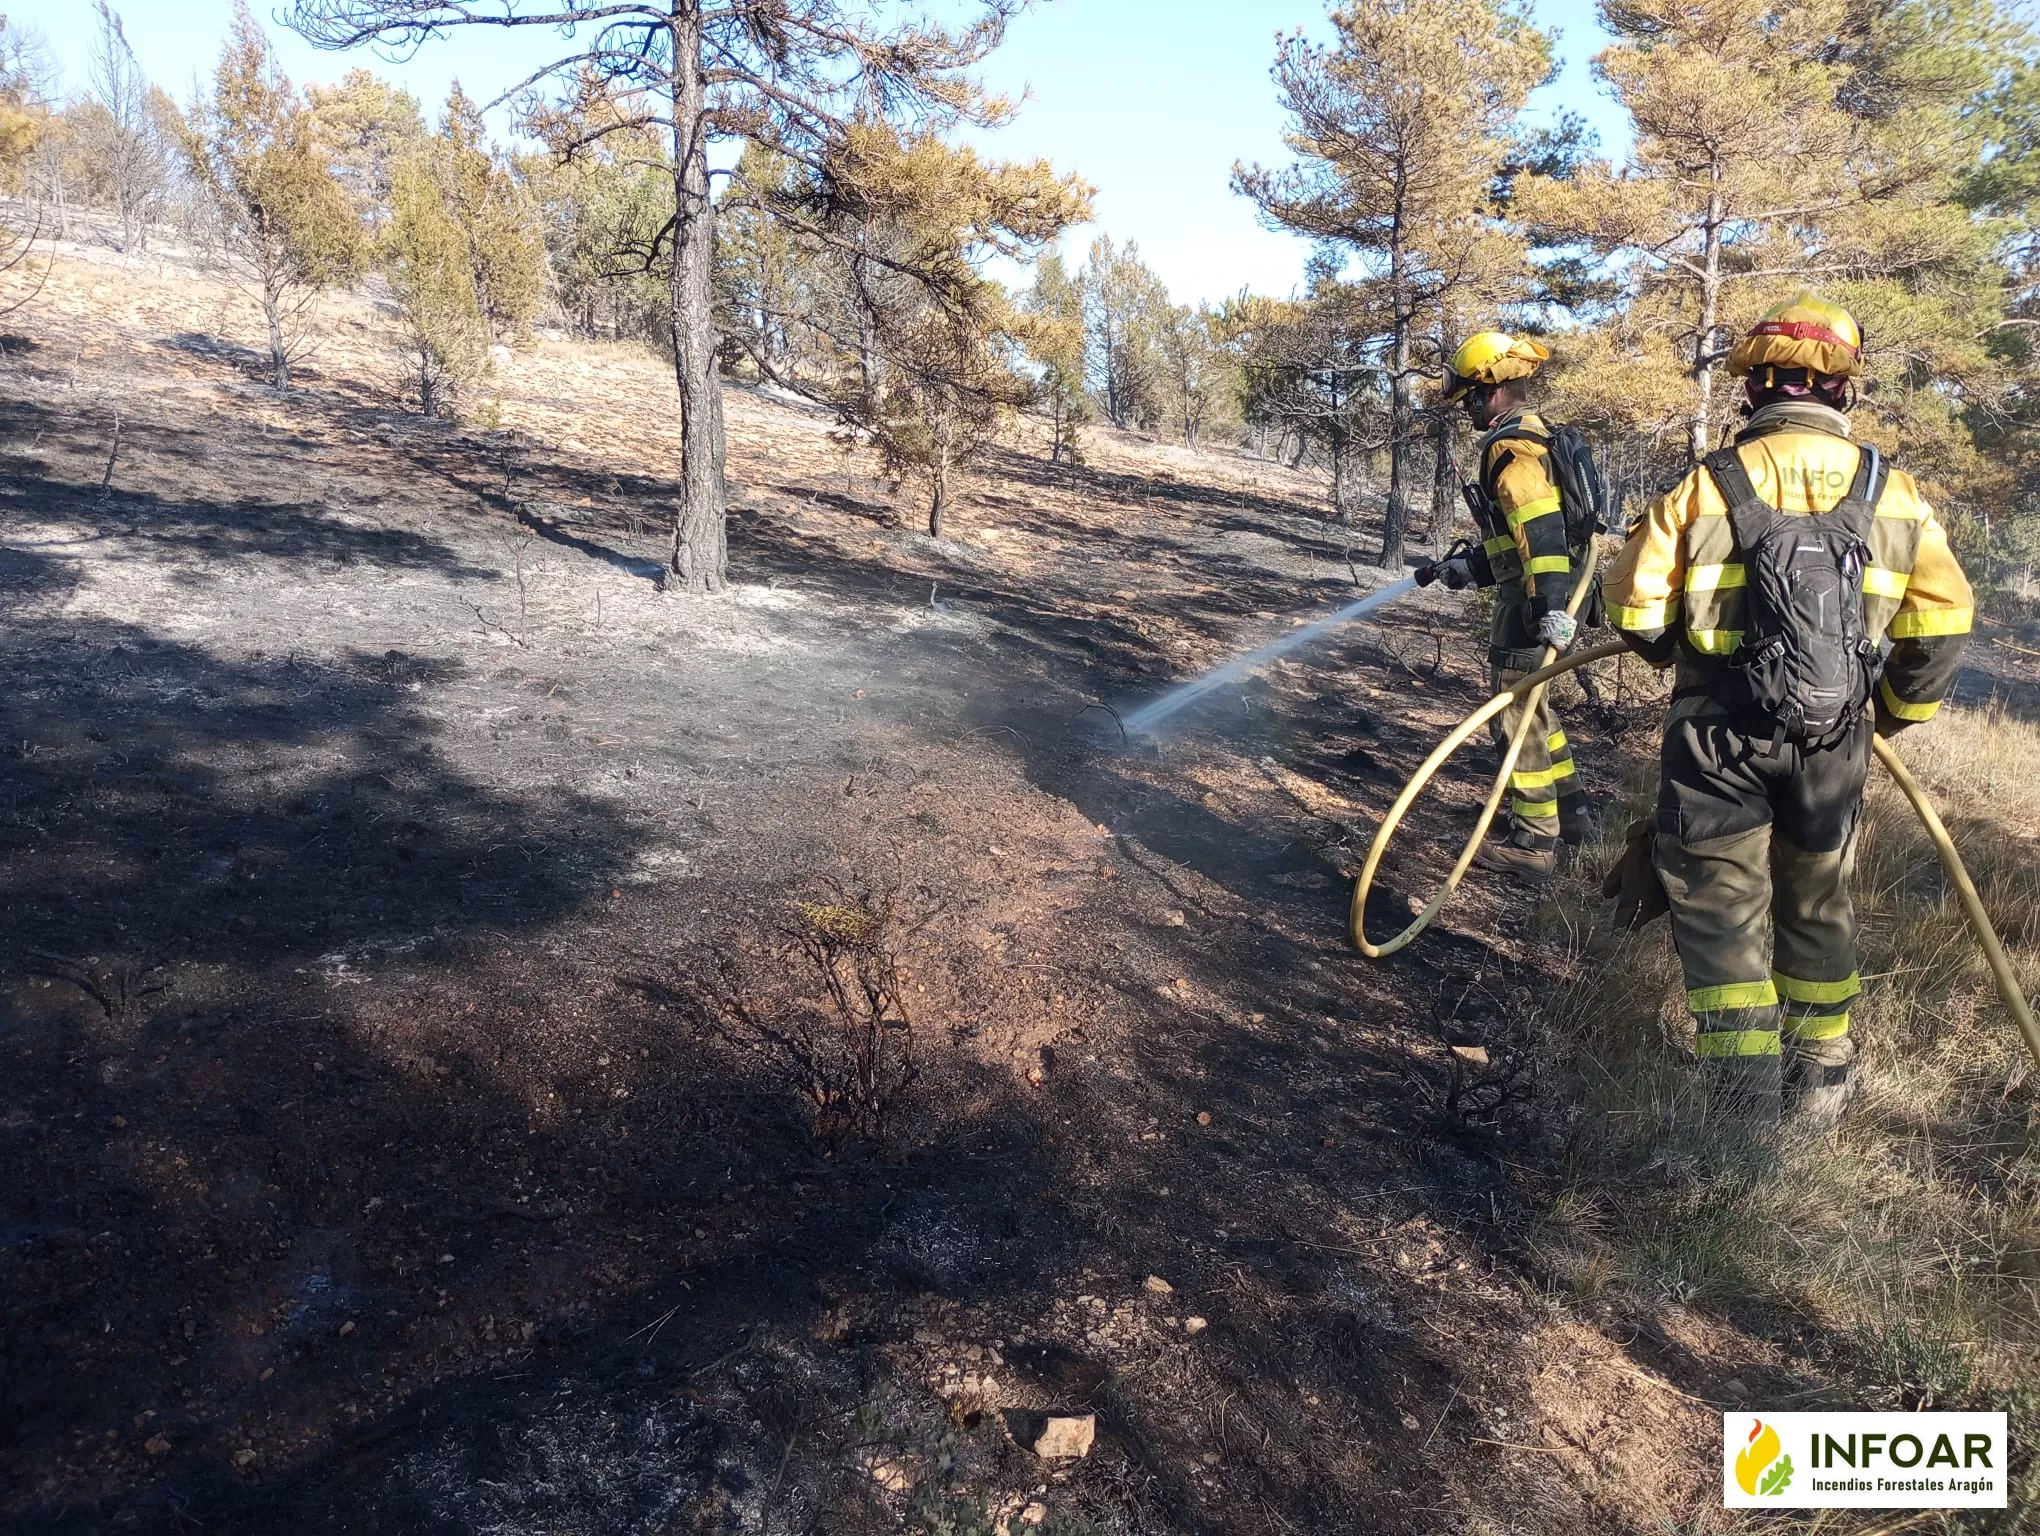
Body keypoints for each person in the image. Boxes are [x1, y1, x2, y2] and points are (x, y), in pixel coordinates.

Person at [1599, 295, 1973, 1128]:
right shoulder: (1894, 493)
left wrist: (1682, 657)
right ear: (1843, 388)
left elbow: (1632, 609)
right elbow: (1942, 627)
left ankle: (1743, 1119)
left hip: (1716, 741)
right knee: (1817, 902)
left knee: (1721, 913)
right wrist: (1886, 715)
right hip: (1836, 742)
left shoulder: (1707, 485)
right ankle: (1819, 1094)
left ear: (1754, 386)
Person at [1431, 331, 1599, 877]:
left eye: (1471, 399)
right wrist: (1471, 568)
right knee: (1537, 709)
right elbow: (1517, 539)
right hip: (1551, 592)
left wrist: (1546, 606)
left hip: (1534, 603)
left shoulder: (1511, 449)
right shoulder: (1536, 435)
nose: (1469, 411)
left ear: (1493, 391)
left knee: (1514, 714)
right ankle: (1573, 819)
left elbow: (1540, 531)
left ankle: (1533, 841)